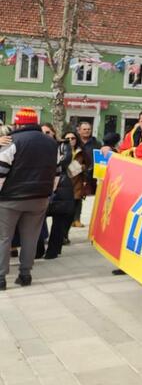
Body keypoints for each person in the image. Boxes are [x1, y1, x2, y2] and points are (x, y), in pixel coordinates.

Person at [0, 108, 58, 289]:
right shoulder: (51, 143)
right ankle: (25, 275)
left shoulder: (12, 141)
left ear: (18, 123)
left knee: (3, 238)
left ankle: (1, 278)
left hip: (10, 199)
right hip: (40, 198)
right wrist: (49, 192)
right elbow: (57, 172)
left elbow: (1, 171)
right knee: (31, 238)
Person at [43, 135, 78, 260]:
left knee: (58, 222)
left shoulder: (63, 145)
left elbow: (64, 161)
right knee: (38, 221)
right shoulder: (38, 145)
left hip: (62, 186)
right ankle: (38, 249)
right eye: (43, 132)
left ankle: (53, 250)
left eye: (48, 132)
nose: (46, 135)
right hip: (43, 185)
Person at [60, 130, 88, 228]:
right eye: (68, 138)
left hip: (78, 179)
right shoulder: (60, 150)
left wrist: (82, 168)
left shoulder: (81, 150)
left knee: (77, 200)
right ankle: (68, 222)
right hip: (64, 179)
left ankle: (76, 219)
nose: (70, 140)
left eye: (73, 138)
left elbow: (87, 163)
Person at [76, 120, 99, 197]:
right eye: (84, 129)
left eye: (89, 129)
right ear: (79, 131)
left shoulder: (96, 143)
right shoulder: (75, 142)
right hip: (76, 177)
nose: (87, 131)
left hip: (91, 178)